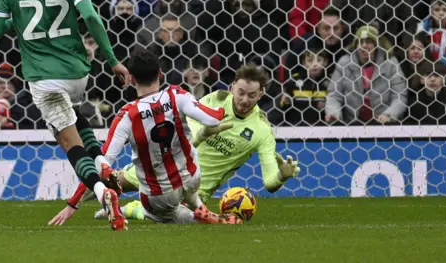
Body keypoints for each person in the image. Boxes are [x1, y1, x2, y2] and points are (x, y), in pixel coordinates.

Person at [0, 0, 131, 231]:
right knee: (74, 117)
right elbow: (91, 17)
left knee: (67, 141)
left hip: (44, 78)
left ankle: (103, 192)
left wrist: (19, 23)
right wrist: (113, 61)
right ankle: (104, 167)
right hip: (78, 73)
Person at [49, 64, 301, 225]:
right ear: (233, 87)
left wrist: (281, 176)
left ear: (262, 94)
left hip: (193, 189)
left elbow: (269, 182)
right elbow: (186, 130)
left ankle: (128, 210)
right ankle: (81, 203)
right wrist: (201, 134)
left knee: (163, 213)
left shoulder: (262, 130)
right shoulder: (216, 99)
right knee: (107, 181)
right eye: (241, 92)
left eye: (252, 95)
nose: (245, 99)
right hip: (159, 170)